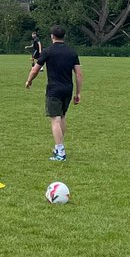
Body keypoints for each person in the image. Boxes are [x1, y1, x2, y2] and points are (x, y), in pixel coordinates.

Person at [25, 24, 83, 162]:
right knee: (62, 117)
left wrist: (29, 81)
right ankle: (58, 147)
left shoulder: (48, 51)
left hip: (54, 89)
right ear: (64, 36)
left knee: (55, 119)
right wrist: (78, 93)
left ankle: (60, 152)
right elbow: (79, 74)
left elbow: (35, 69)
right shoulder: (72, 52)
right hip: (67, 89)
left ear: (52, 36)